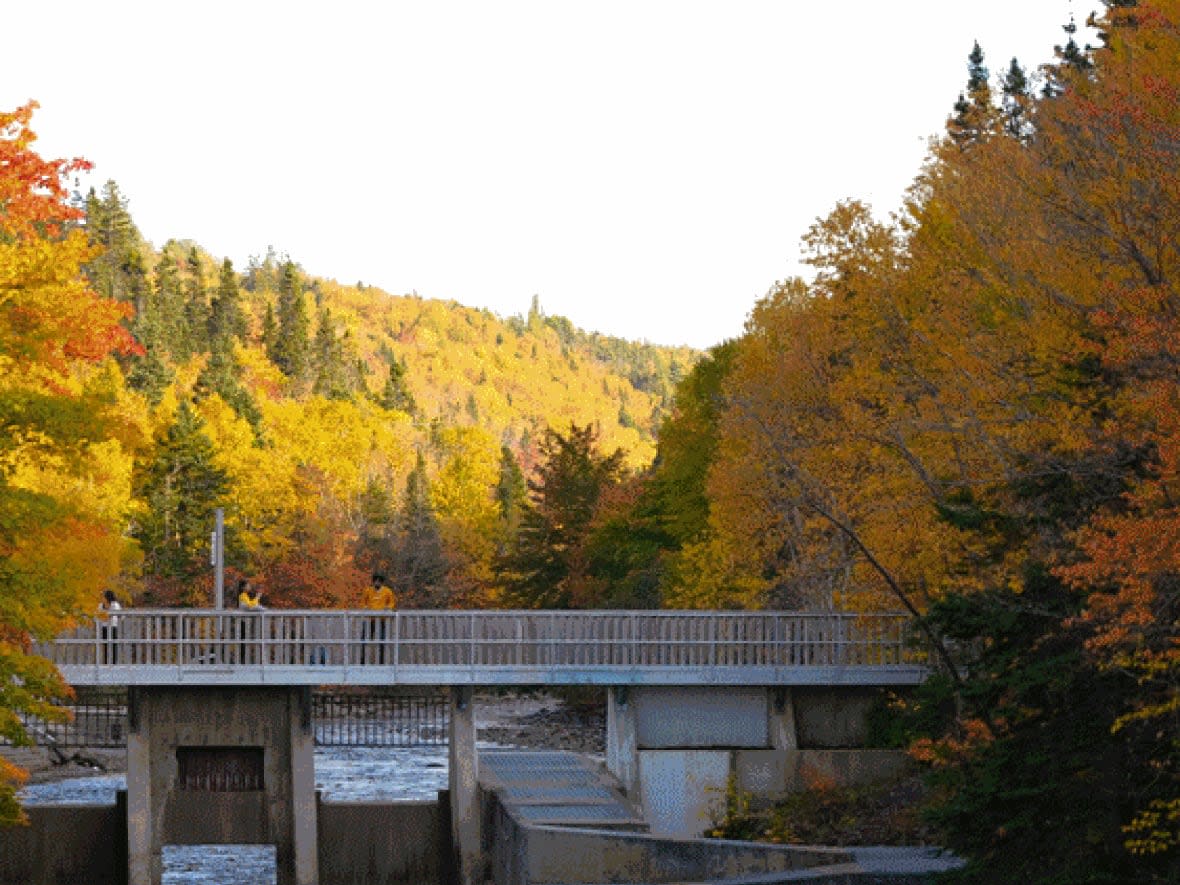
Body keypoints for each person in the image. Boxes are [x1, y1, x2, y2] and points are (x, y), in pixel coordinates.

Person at [362, 573, 396, 664]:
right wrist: (365, 608)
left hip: (382, 619)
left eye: (379, 581)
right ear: (373, 582)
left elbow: (392, 603)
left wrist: (388, 608)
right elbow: (363, 602)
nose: (377, 583)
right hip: (370, 619)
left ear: (382, 582)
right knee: (364, 639)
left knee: (382, 640)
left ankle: (381, 662)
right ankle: (362, 661)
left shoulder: (387, 591)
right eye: (375, 581)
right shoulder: (368, 591)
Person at [236, 579, 263, 664]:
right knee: (243, 643)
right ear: (243, 587)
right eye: (248, 585)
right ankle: (242, 662)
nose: (249, 587)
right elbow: (250, 606)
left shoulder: (244, 596)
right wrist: (257, 597)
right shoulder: (243, 595)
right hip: (243, 622)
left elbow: (251, 605)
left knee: (244, 642)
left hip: (245, 622)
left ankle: (243, 661)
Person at [98, 590, 121, 665]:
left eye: (104, 596)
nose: (103, 598)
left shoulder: (115, 604)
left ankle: (113, 662)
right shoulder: (101, 605)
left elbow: (120, 615)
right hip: (105, 626)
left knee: (113, 644)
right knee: (106, 645)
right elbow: (98, 614)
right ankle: (106, 662)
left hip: (112, 626)